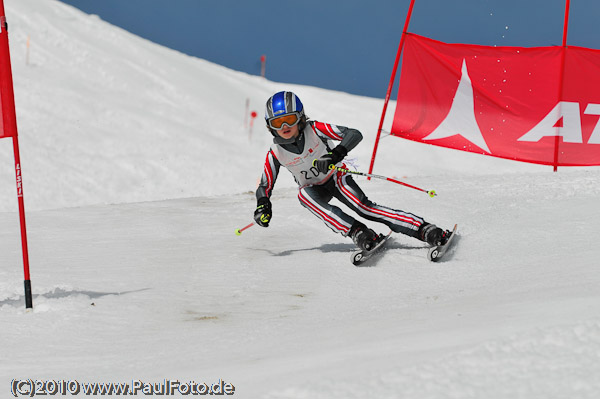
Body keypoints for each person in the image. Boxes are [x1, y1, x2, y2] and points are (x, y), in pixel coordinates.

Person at [253, 91, 450, 252]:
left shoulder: (315, 130)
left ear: (300, 118)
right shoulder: (275, 153)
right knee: (304, 196)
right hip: (314, 188)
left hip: (336, 178)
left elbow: (354, 134)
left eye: (289, 119)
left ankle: (424, 229)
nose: (285, 127)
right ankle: (359, 232)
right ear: (270, 127)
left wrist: (335, 155)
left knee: (364, 208)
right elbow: (265, 185)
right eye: (278, 123)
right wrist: (263, 205)